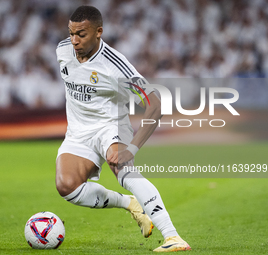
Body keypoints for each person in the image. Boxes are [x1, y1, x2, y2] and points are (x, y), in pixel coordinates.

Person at [55, 6, 191, 252]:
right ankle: (130, 204)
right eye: (71, 33)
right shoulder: (62, 50)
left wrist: (132, 147)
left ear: (99, 32)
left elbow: (155, 105)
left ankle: (173, 237)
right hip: (78, 131)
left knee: (121, 168)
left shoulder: (115, 66)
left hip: (111, 126)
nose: (74, 41)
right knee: (66, 186)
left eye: (81, 34)